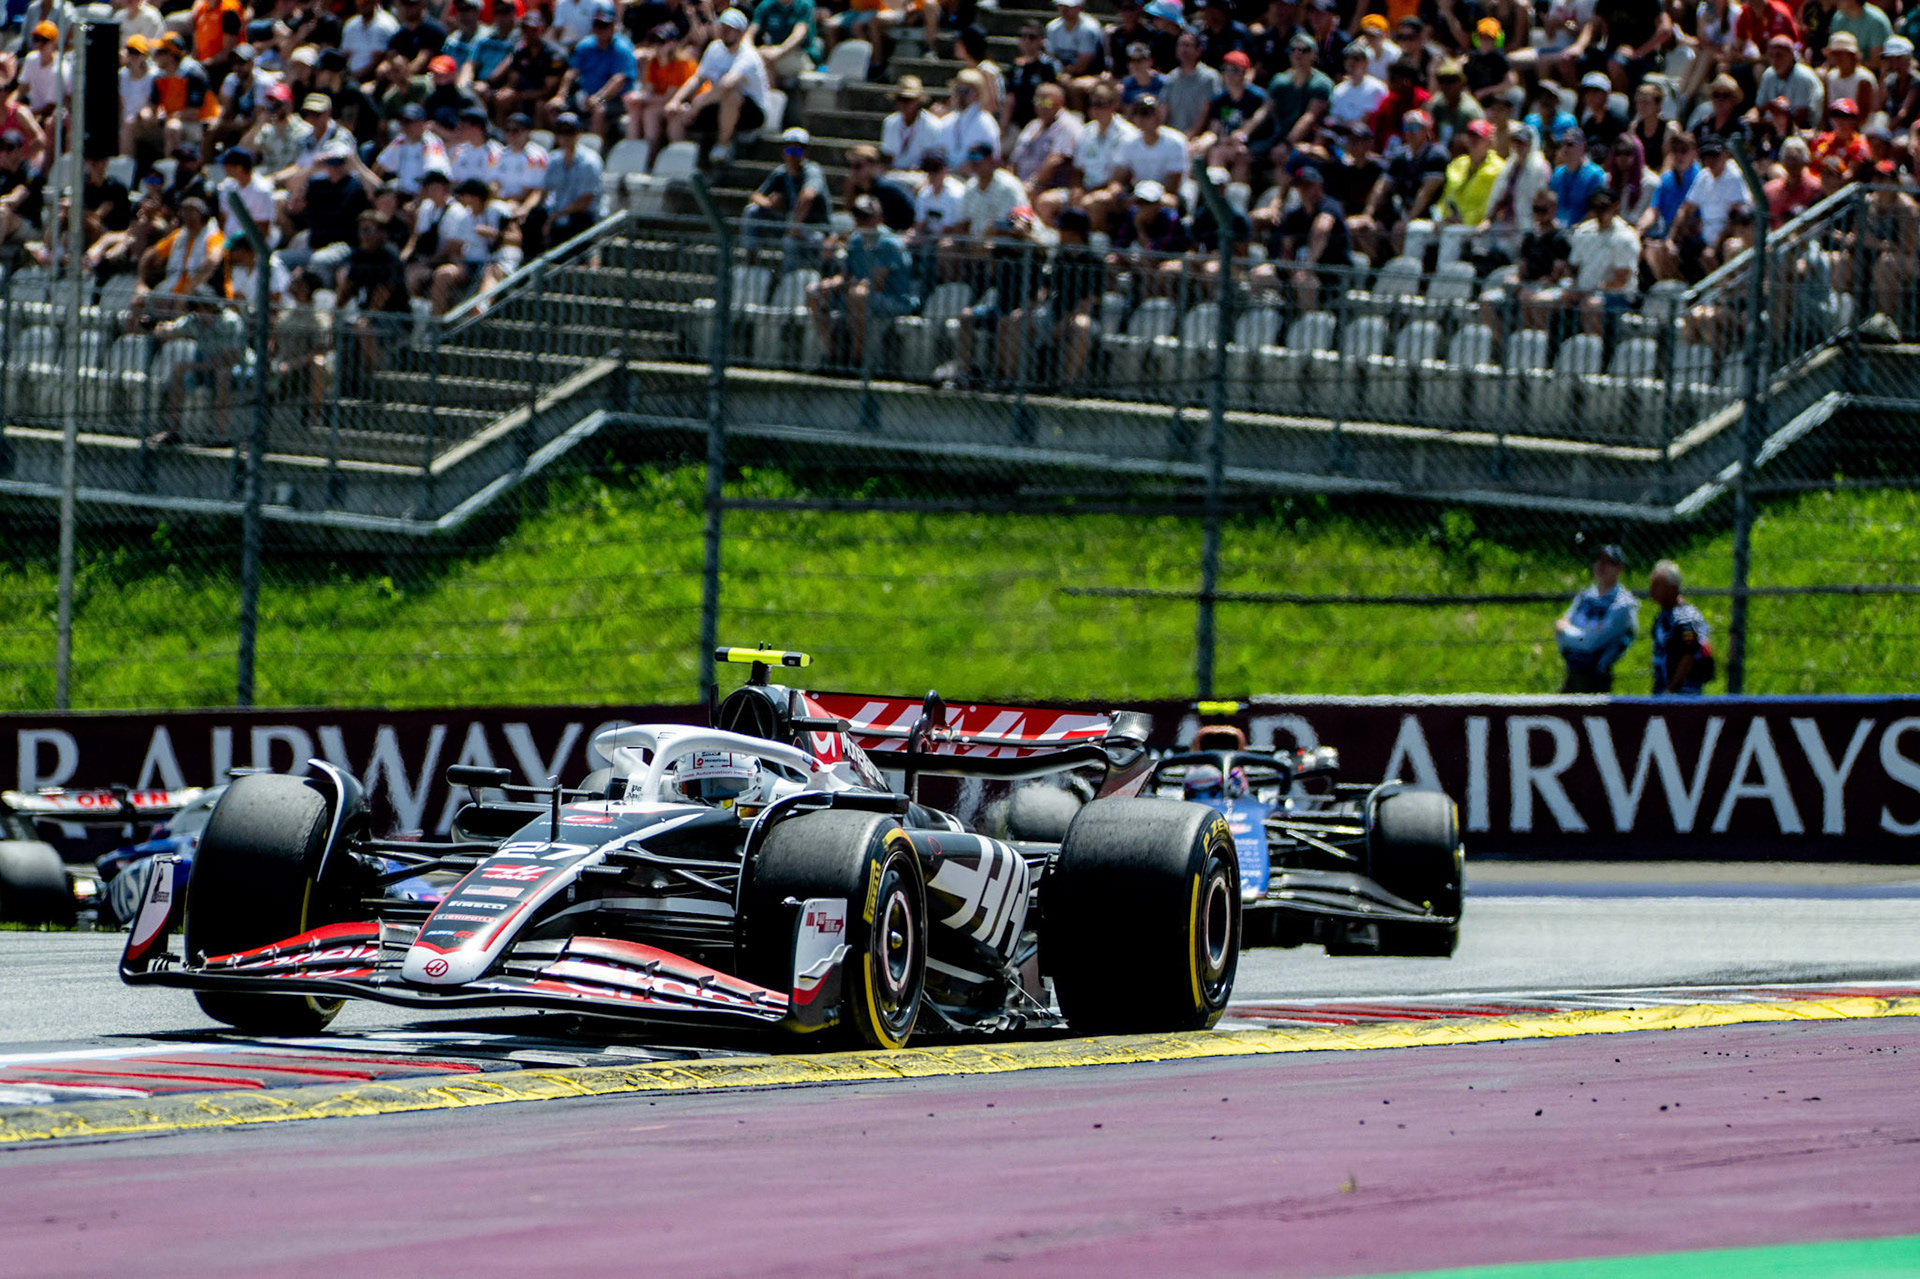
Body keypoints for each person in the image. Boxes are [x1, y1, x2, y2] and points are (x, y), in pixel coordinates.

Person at [809, 194, 918, 370]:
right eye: (858, 217)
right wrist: (828, 286)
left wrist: (850, 285)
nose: (861, 222)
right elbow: (846, 275)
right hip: (857, 294)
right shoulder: (855, 240)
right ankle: (832, 355)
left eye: (866, 217)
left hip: (893, 300)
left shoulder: (890, 243)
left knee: (858, 295)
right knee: (814, 292)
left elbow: (877, 284)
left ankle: (858, 361)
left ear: (879, 218)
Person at [664, 8, 769, 166]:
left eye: (729, 29)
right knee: (677, 112)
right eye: (722, 27)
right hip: (716, 103)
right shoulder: (715, 48)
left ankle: (723, 144)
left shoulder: (748, 56)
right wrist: (676, 100)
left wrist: (696, 106)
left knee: (732, 95)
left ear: (740, 33)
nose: (724, 32)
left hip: (751, 112)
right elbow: (698, 78)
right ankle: (679, 159)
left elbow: (727, 84)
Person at [1554, 543, 1638, 693]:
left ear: (1620, 568)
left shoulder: (1623, 605)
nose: (1601, 565)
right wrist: (1575, 634)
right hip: (1572, 672)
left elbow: (1591, 643)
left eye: (1609, 562)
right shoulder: (1584, 597)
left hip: (1595, 678)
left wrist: (1567, 632)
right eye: (1598, 560)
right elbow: (1559, 632)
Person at [743, 126, 830, 263]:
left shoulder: (812, 170)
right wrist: (770, 204)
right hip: (787, 223)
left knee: (790, 240)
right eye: (789, 149)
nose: (792, 154)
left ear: (806, 152)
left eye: (797, 150)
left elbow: (808, 196)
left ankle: (789, 279)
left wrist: (795, 225)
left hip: (812, 228)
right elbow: (756, 196)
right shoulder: (781, 173)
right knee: (752, 211)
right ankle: (750, 260)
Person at [1648, 560, 1711, 696]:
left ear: (1672, 588)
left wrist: (1671, 691)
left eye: (1657, 585)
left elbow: (1689, 655)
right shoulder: (1662, 616)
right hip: (1662, 691)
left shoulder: (1686, 618)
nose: (1651, 590)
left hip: (1683, 694)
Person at [540, 112, 603, 246]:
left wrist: (555, 216)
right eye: (561, 132)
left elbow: (585, 201)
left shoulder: (589, 162)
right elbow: (543, 191)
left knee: (579, 222)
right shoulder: (553, 160)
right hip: (557, 214)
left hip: (581, 216)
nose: (565, 137)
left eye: (570, 132)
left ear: (578, 133)